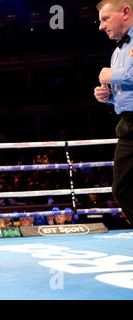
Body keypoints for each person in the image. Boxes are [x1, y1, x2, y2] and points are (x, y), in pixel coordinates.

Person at [95, 0, 133, 227]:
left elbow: (121, 77)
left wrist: (112, 76)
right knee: (123, 187)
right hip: (128, 122)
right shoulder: (118, 51)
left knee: (125, 187)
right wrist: (107, 96)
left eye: (105, 19)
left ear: (126, 12)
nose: (101, 26)